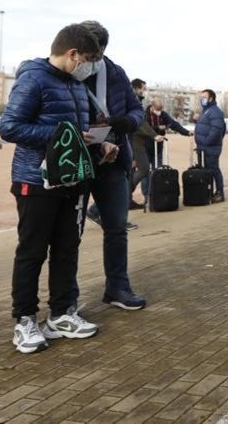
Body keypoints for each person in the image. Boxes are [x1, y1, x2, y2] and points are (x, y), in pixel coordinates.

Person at [0, 23, 108, 354]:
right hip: (35, 180)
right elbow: (10, 127)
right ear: (72, 54)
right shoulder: (33, 79)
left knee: (66, 249)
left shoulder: (76, 85)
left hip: (70, 179)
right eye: (89, 59)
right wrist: (63, 136)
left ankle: (61, 313)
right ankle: (25, 319)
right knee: (32, 251)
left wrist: (96, 143)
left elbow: (75, 128)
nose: (90, 67)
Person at [76, 21, 148, 311]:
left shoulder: (115, 73)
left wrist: (121, 123)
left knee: (116, 227)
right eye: (85, 53)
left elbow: (136, 110)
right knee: (71, 232)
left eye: (96, 54)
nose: (89, 61)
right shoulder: (65, 71)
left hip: (114, 157)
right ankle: (66, 297)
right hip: (77, 159)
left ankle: (117, 286)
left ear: (103, 50)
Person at [128, 79, 161, 207]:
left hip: (133, 140)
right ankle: (125, 193)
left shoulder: (134, 99)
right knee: (144, 168)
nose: (144, 91)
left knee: (130, 171)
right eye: (143, 88)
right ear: (137, 88)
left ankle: (127, 200)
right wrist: (154, 135)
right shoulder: (134, 100)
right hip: (135, 141)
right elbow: (140, 123)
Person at [194, 88, 227, 201]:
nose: (201, 100)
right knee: (207, 171)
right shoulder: (206, 111)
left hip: (210, 148)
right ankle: (208, 192)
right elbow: (205, 126)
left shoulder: (215, 111)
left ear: (211, 98)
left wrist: (207, 142)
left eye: (204, 97)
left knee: (214, 170)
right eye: (201, 97)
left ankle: (219, 193)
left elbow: (217, 130)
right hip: (203, 148)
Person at [146, 99, 192, 168]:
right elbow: (145, 129)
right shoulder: (144, 115)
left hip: (158, 146)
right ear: (152, 107)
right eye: (157, 110)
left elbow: (173, 124)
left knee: (157, 169)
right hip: (145, 146)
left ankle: (156, 178)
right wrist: (158, 128)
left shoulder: (163, 115)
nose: (159, 112)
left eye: (160, 110)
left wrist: (186, 132)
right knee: (144, 169)